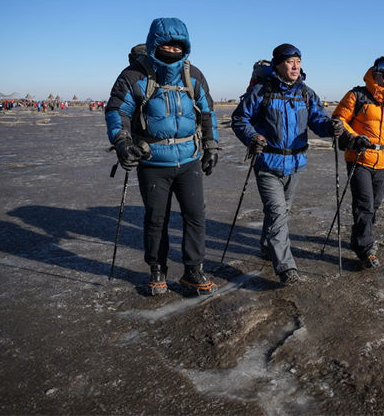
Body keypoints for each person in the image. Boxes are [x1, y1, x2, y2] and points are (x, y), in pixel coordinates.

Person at [105, 17, 219, 296]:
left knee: (196, 216)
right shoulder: (133, 76)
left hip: (189, 159)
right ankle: (157, 270)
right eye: (166, 43)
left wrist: (212, 145)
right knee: (157, 219)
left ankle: (193, 271)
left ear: (186, 46)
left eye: (178, 44)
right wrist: (122, 143)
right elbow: (116, 112)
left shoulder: (194, 76)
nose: (172, 48)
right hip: (153, 162)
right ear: (154, 43)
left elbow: (207, 111)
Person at [231, 43, 343, 286]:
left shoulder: (306, 93)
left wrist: (330, 126)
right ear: (278, 65)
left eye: (298, 62)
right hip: (267, 163)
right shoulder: (262, 91)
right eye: (290, 62)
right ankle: (286, 267)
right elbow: (240, 119)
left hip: (295, 164)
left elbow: (318, 120)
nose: (295, 66)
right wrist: (252, 137)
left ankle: (266, 247)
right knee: (277, 212)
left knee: (281, 212)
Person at [332, 56, 384, 268]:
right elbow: (339, 120)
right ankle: (366, 249)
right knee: (364, 205)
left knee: (373, 207)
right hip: (359, 160)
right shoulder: (357, 95)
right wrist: (354, 138)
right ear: (374, 74)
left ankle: (358, 238)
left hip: (383, 162)